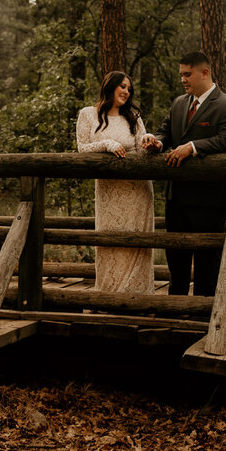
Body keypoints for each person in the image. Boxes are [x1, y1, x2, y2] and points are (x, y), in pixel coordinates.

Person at [140, 51, 226, 297]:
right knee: (176, 259)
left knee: (207, 262)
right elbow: (167, 132)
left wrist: (193, 147)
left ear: (204, 73)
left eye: (187, 74)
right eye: (181, 75)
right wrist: (157, 142)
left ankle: (202, 315)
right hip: (176, 197)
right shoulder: (179, 103)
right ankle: (176, 311)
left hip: (208, 200)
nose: (183, 80)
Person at [75, 71, 156, 293]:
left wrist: (151, 142)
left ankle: (137, 296)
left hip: (136, 190)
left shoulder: (133, 117)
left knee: (136, 241)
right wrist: (107, 144)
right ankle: (109, 294)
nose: (126, 92)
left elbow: (142, 145)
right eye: (122, 86)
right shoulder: (89, 115)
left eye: (129, 89)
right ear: (109, 86)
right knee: (109, 239)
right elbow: (82, 147)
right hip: (108, 191)